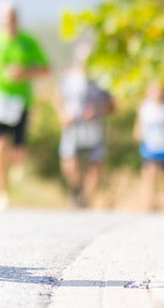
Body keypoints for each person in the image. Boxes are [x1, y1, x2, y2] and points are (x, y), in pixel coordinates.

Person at [0, 0, 50, 210]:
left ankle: (17, 167)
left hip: (21, 101)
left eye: (12, 18)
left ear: (17, 18)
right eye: (5, 18)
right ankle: (1, 192)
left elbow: (45, 69)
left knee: (18, 152)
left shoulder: (28, 41)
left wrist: (24, 73)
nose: (9, 22)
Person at [53, 50, 114, 208]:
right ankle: (76, 189)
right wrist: (62, 114)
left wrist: (97, 111)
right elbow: (57, 97)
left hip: (94, 126)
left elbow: (112, 105)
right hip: (72, 125)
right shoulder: (69, 79)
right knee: (69, 160)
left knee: (96, 162)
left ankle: (87, 198)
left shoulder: (102, 80)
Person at [134, 81, 164, 211]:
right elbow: (139, 127)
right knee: (150, 174)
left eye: (159, 91)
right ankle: (149, 203)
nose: (157, 94)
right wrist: (138, 136)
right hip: (150, 146)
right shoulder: (144, 107)